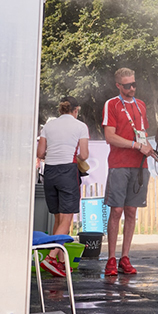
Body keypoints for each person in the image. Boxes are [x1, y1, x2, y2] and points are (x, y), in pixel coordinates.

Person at [102, 67, 158, 276]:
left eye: (134, 84)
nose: (132, 88)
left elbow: (143, 140)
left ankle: (125, 257)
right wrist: (134, 146)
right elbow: (110, 137)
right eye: (127, 85)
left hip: (140, 166)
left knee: (131, 212)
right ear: (118, 86)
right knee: (116, 211)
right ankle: (111, 259)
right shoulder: (111, 104)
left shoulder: (141, 105)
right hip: (118, 164)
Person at [37, 96, 89, 277]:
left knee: (58, 219)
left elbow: (40, 152)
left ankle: (59, 262)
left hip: (50, 172)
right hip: (68, 171)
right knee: (67, 220)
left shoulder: (48, 126)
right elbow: (84, 154)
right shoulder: (80, 126)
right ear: (76, 110)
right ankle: (50, 258)